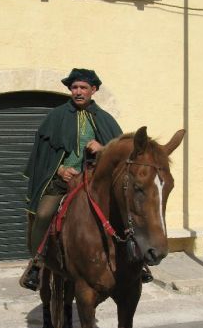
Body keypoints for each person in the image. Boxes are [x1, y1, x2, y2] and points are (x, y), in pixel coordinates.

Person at [20, 68, 153, 291]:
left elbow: (120, 154)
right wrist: (60, 169)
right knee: (43, 214)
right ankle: (38, 262)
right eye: (74, 88)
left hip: (94, 179)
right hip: (63, 180)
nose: (78, 92)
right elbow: (43, 154)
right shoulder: (56, 116)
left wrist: (103, 149)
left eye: (83, 88)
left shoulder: (104, 119)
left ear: (94, 90)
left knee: (128, 208)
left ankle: (139, 261)